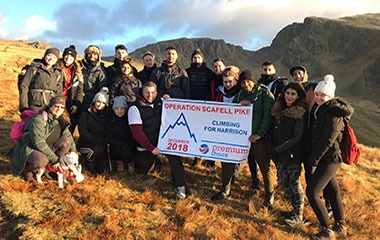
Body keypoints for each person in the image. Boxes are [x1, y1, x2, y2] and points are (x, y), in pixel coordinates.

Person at [306, 75, 353, 239]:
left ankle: (327, 230)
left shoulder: (334, 114)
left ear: (330, 97)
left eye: (322, 95)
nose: (319, 97)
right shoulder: (321, 109)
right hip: (327, 158)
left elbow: (327, 140)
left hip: (330, 159)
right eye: (317, 94)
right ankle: (341, 227)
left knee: (312, 192)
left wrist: (314, 162)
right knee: (333, 191)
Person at [128, 82, 187, 199]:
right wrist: (151, 148)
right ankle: (153, 160)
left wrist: (169, 101)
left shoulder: (162, 102)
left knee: (175, 158)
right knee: (144, 171)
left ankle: (180, 187)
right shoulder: (134, 108)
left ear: (156, 92)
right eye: (147, 92)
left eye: (153, 92)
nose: (150, 95)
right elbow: (137, 133)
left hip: (163, 142)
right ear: (142, 92)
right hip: (146, 145)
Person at [232, 70, 276, 209]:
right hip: (243, 137)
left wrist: (260, 134)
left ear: (253, 81)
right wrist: (238, 105)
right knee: (248, 162)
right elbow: (230, 112)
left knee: (265, 167)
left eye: (248, 82)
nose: (246, 85)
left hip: (259, 138)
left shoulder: (264, 94)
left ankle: (269, 195)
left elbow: (268, 116)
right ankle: (254, 184)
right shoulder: (239, 95)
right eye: (243, 82)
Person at [10, 96, 76, 181]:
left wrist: (74, 154)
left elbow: (69, 137)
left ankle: (55, 170)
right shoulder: (38, 119)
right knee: (42, 160)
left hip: (48, 148)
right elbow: (38, 142)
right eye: (56, 106)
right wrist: (54, 159)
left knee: (66, 141)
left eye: (62, 107)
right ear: (50, 106)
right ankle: (27, 171)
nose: (59, 109)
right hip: (31, 148)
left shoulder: (62, 120)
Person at [270, 82, 307, 227]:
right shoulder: (279, 108)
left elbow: (297, 137)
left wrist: (279, 149)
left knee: (294, 183)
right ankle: (293, 209)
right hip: (280, 153)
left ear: (298, 96)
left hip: (292, 155)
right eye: (287, 93)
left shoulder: (299, 113)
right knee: (283, 182)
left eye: (293, 94)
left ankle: (299, 215)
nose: (289, 96)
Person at [211, 66, 243, 201]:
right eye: (225, 82)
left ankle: (233, 175)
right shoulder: (219, 93)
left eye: (230, 81)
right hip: (222, 130)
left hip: (238, 129)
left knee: (237, 157)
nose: (228, 84)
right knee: (225, 158)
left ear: (236, 81)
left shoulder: (242, 94)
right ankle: (225, 188)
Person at [186, 48, 214, 167]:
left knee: (207, 133)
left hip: (206, 107)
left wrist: (206, 102)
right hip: (192, 108)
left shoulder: (209, 72)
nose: (196, 59)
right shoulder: (186, 72)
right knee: (195, 133)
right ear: (192, 59)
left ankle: (210, 159)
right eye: (194, 57)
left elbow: (212, 88)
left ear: (202, 58)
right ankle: (196, 157)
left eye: (198, 57)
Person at [77, 87, 111, 174]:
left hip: (101, 143)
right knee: (95, 150)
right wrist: (94, 140)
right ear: (94, 102)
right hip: (87, 142)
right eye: (98, 102)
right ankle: (88, 161)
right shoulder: (86, 113)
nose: (100, 105)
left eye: (103, 103)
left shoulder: (106, 115)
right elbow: (83, 131)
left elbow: (107, 130)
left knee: (103, 169)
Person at [19, 47, 63, 113]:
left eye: (54, 57)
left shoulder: (58, 73)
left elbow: (59, 93)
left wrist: (58, 109)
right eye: (49, 55)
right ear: (45, 56)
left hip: (50, 106)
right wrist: (24, 106)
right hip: (34, 104)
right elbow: (24, 86)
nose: (51, 59)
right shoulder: (34, 68)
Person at [106, 95, 135, 173]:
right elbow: (109, 136)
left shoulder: (129, 118)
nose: (119, 111)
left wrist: (129, 142)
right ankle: (119, 163)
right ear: (114, 109)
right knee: (116, 150)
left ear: (125, 109)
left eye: (122, 109)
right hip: (116, 143)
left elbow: (133, 133)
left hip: (128, 142)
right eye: (117, 109)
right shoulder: (111, 120)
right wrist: (119, 143)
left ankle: (130, 163)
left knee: (129, 149)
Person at [58, 45, 84, 133]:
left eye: (71, 56)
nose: (68, 58)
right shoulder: (56, 66)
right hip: (58, 100)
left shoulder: (77, 70)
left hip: (71, 101)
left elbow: (80, 90)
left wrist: (76, 104)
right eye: (66, 55)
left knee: (69, 127)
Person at [79, 45, 108, 111]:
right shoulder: (79, 67)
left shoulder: (100, 71)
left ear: (98, 56)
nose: (92, 56)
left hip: (92, 100)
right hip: (77, 98)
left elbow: (103, 87)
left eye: (95, 54)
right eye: (89, 53)